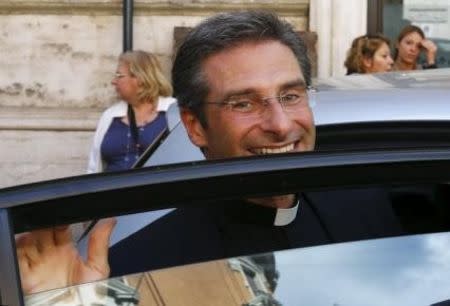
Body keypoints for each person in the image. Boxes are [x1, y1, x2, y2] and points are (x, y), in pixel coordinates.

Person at [17, 11, 402, 294]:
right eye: (244, 104)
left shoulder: (371, 212)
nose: (282, 125)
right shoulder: (137, 268)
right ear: (196, 126)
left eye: (291, 95)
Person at [87, 50, 176, 173]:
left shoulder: (174, 111)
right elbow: (93, 168)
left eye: (119, 76)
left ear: (139, 78)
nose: (113, 81)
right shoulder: (110, 116)